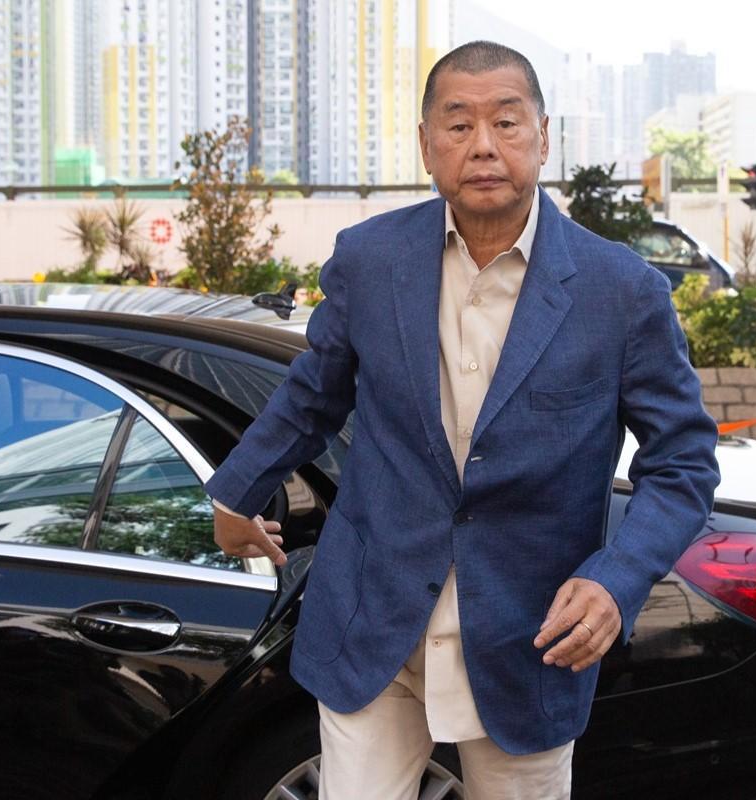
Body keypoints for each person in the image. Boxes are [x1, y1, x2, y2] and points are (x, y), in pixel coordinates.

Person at [204, 39, 720, 800]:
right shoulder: (370, 259)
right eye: (458, 124)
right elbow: (312, 396)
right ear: (426, 145)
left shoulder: (621, 290)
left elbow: (683, 462)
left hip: (529, 635)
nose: (483, 145)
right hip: (374, 618)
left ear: (543, 137)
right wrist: (234, 493)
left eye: (506, 122)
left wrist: (617, 580)